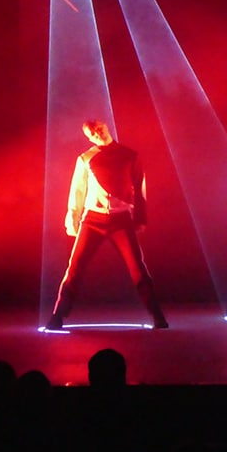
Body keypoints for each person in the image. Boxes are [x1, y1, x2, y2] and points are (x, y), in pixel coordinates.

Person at [44, 120, 168, 330]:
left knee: (138, 269)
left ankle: (157, 315)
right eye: (91, 132)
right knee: (75, 268)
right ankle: (58, 315)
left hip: (121, 219)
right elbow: (77, 190)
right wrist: (72, 220)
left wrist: (141, 217)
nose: (96, 133)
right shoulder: (85, 158)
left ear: (107, 128)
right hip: (92, 219)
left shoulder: (130, 155)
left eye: (98, 129)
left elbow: (140, 188)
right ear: (88, 137)